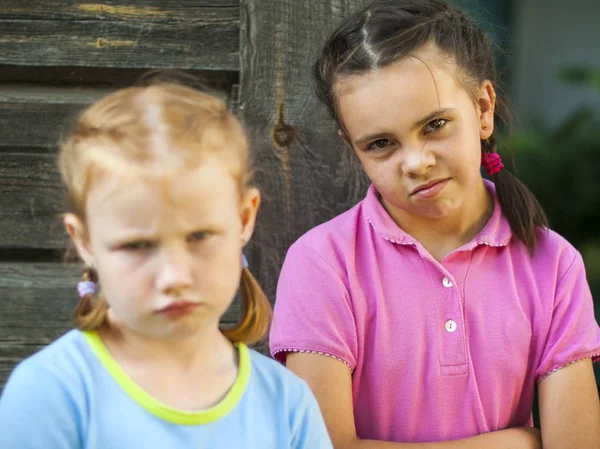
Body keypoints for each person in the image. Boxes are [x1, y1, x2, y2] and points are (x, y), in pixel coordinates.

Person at [269, 1, 600, 448]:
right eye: (382, 143)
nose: (417, 162)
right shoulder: (322, 264)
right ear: (353, 148)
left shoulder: (554, 264)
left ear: (483, 109)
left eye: (436, 125)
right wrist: (518, 443)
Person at [0, 82, 333, 449]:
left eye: (200, 236)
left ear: (243, 219)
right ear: (85, 242)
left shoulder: (286, 403)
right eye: (137, 245)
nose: (175, 276)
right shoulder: (51, 394)